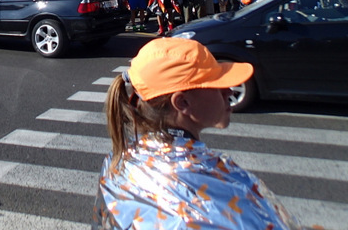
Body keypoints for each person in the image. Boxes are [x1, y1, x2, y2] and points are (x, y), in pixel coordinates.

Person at [93, 38, 304, 230]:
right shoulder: (216, 198)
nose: (229, 91)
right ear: (182, 102)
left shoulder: (119, 159)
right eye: (217, 84)